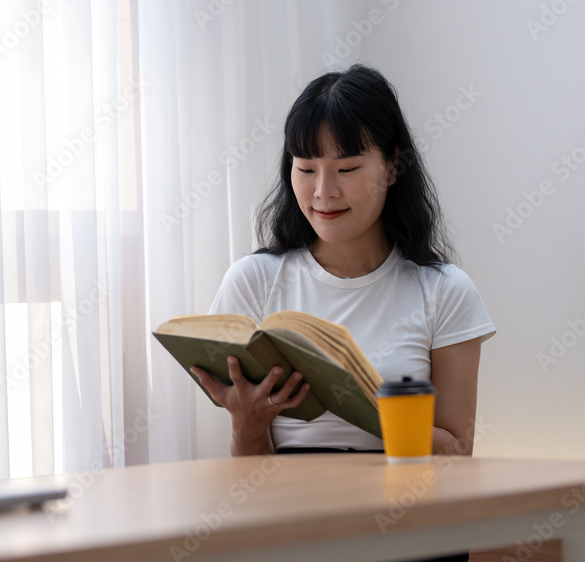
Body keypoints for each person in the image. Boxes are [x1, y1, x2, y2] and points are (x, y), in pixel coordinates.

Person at [191, 63, 494, 562]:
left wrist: (361, 403)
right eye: (305, 168)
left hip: (411, 522)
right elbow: (250, 478)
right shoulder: (254, 281)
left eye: (347, 169)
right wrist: (246, 425)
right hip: (293, 522)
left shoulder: (443, 291)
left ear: (394, 166)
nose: (322, 192)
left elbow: (457, 452)